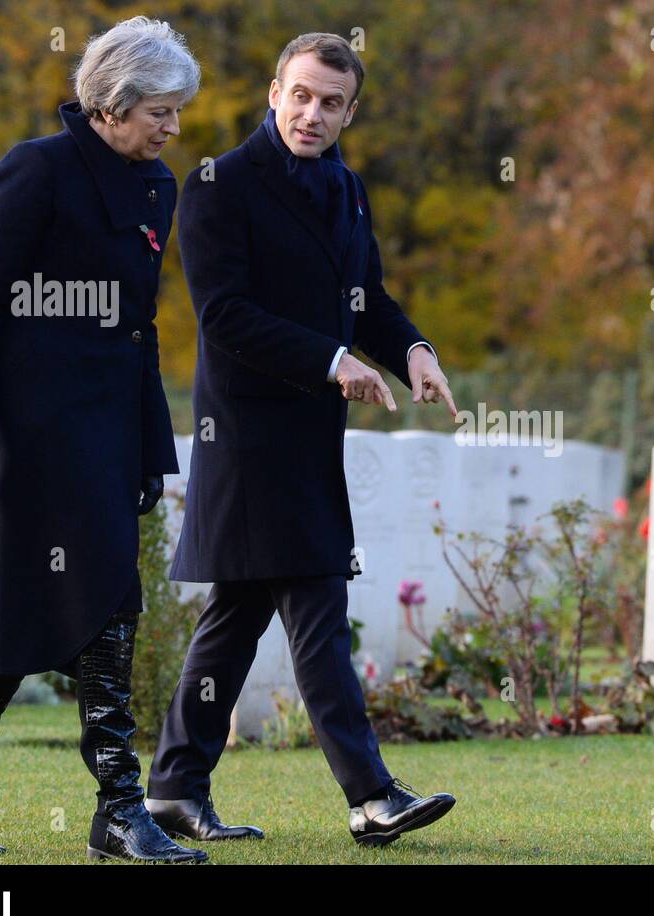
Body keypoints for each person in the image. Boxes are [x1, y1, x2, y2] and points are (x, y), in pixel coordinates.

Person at [0, 16, 207, 863]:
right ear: (112, 103)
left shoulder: (159, 189)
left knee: (107, 612)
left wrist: (150, 449)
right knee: (31, 614)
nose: (173, 129)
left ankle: (28, 799)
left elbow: (138, 329)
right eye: (162, 111)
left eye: (178, 113)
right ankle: (37, 799)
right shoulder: (33, 169)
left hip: (104, 442)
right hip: (21, 442)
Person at [147, 32, 458, 848]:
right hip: (248, 440)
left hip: (311, 438)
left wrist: (415, 350)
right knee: (318, 605)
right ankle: (372, 796)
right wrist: (334, 361)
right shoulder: (217, 185)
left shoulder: (348, 190)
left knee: (236, 619)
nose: (312, 113)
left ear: (350, 113)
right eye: (301, 94)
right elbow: (224, 316)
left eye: (331, 102)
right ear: (274, 92)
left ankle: (175, 790)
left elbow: (370, 298)